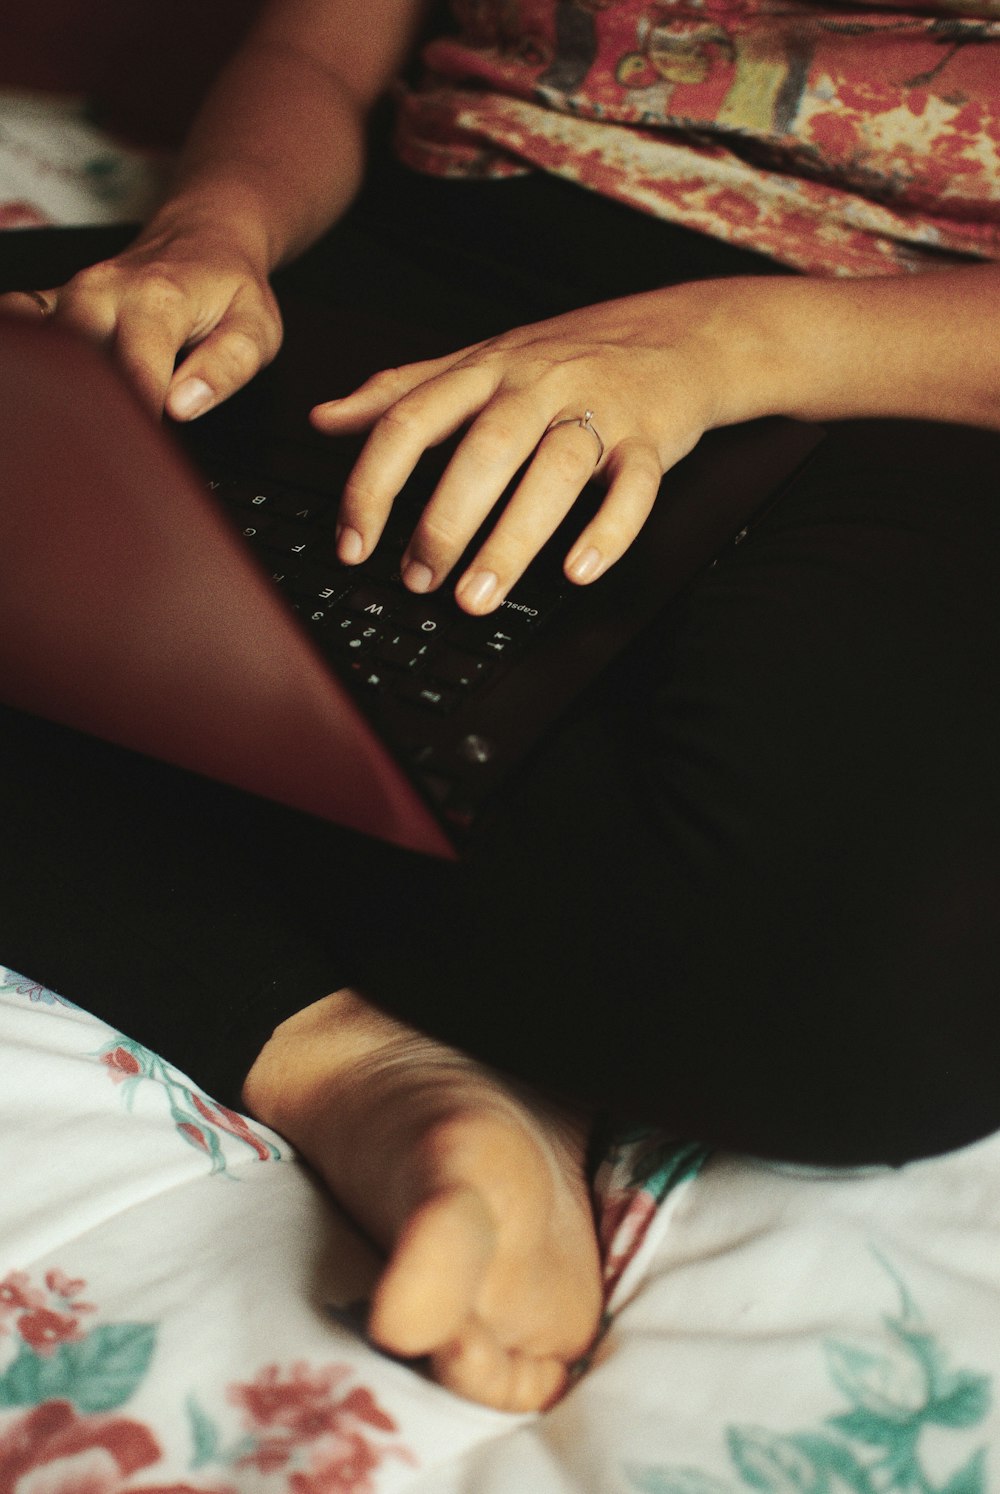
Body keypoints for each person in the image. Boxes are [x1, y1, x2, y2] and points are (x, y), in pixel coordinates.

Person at [2, 0, 1000, 1413]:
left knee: (862, 993)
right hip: (433, 248)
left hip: (899, 362)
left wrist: (717, 348)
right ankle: (357, 1050)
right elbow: (320, 57)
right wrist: (213, 231)